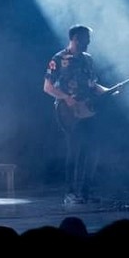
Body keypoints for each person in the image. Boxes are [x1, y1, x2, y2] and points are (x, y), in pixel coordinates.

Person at [43, 24, 109, 205]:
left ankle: (87, 192)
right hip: (68, 111)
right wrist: (66, 98)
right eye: (85, 38)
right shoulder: (58, 58)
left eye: (89, 38)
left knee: (92, 150)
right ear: (75, 38)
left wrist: (109, 91)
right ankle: (70, 193)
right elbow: (48, 87)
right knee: (74, 150)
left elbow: (93, 85)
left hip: (88, 110)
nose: (88, 42)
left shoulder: (88, 59)